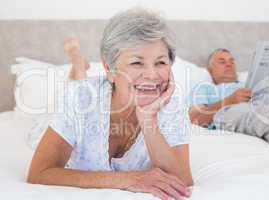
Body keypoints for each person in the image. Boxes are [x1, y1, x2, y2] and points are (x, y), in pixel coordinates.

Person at [27, 8, 193, 200]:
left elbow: (182, 182)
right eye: (137, 63)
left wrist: (148, 119)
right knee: (69, 94)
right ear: (110, 69)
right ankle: (77, 63)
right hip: (73, 104)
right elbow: (40, 172)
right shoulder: (80, 97)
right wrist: (129, 179)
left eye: (161, 63)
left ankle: (79, 67)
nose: (151, 75)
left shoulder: (172, 104)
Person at [189, 48, 269, 148]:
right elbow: (194, 118)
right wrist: (229, 100)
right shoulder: (204, 88)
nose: (229, 64)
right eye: (222, 62)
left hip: (262, 102)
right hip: (229, 112)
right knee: (263, 113)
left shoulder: (246, 83)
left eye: (232, 61)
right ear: (210, 70)